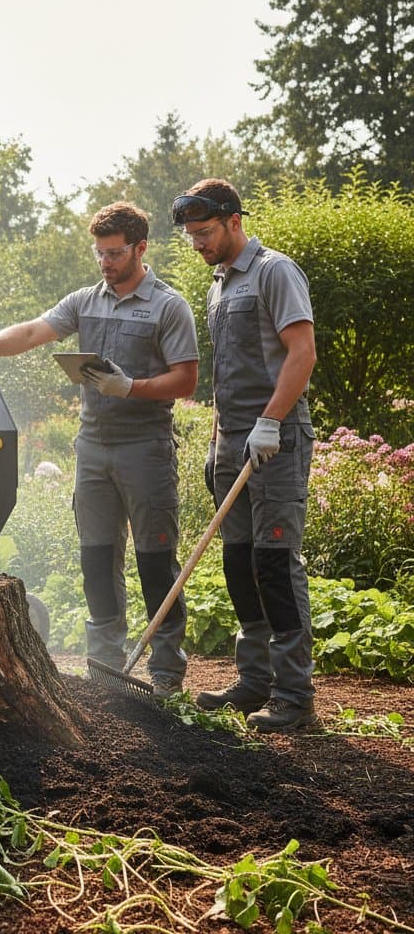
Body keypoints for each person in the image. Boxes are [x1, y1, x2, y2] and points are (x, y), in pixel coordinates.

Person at [0, 202, 198, 698]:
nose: (105, 262)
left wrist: (130, 387)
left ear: (140, 248)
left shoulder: (169, 306)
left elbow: (186, 380)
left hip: (145, 447)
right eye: (99, 253)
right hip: (93, 447)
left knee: (155, 560)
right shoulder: (86, 300)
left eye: (114, 253)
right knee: (96, 558)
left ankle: (166, 671)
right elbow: (36, 330)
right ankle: (104, 664)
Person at [173, 179, 318, 732]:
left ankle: (294, 695)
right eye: (191, 236)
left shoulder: (275, 272)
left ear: (234, 221)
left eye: (205, 233)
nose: (198, 243)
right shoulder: (219, 284)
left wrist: (269, 422)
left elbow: (301, 353)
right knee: (239, 564)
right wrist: (218, 441)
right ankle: (254, 680)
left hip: (274, 440)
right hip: (231, 441)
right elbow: (227, 371)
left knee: (274, 564)